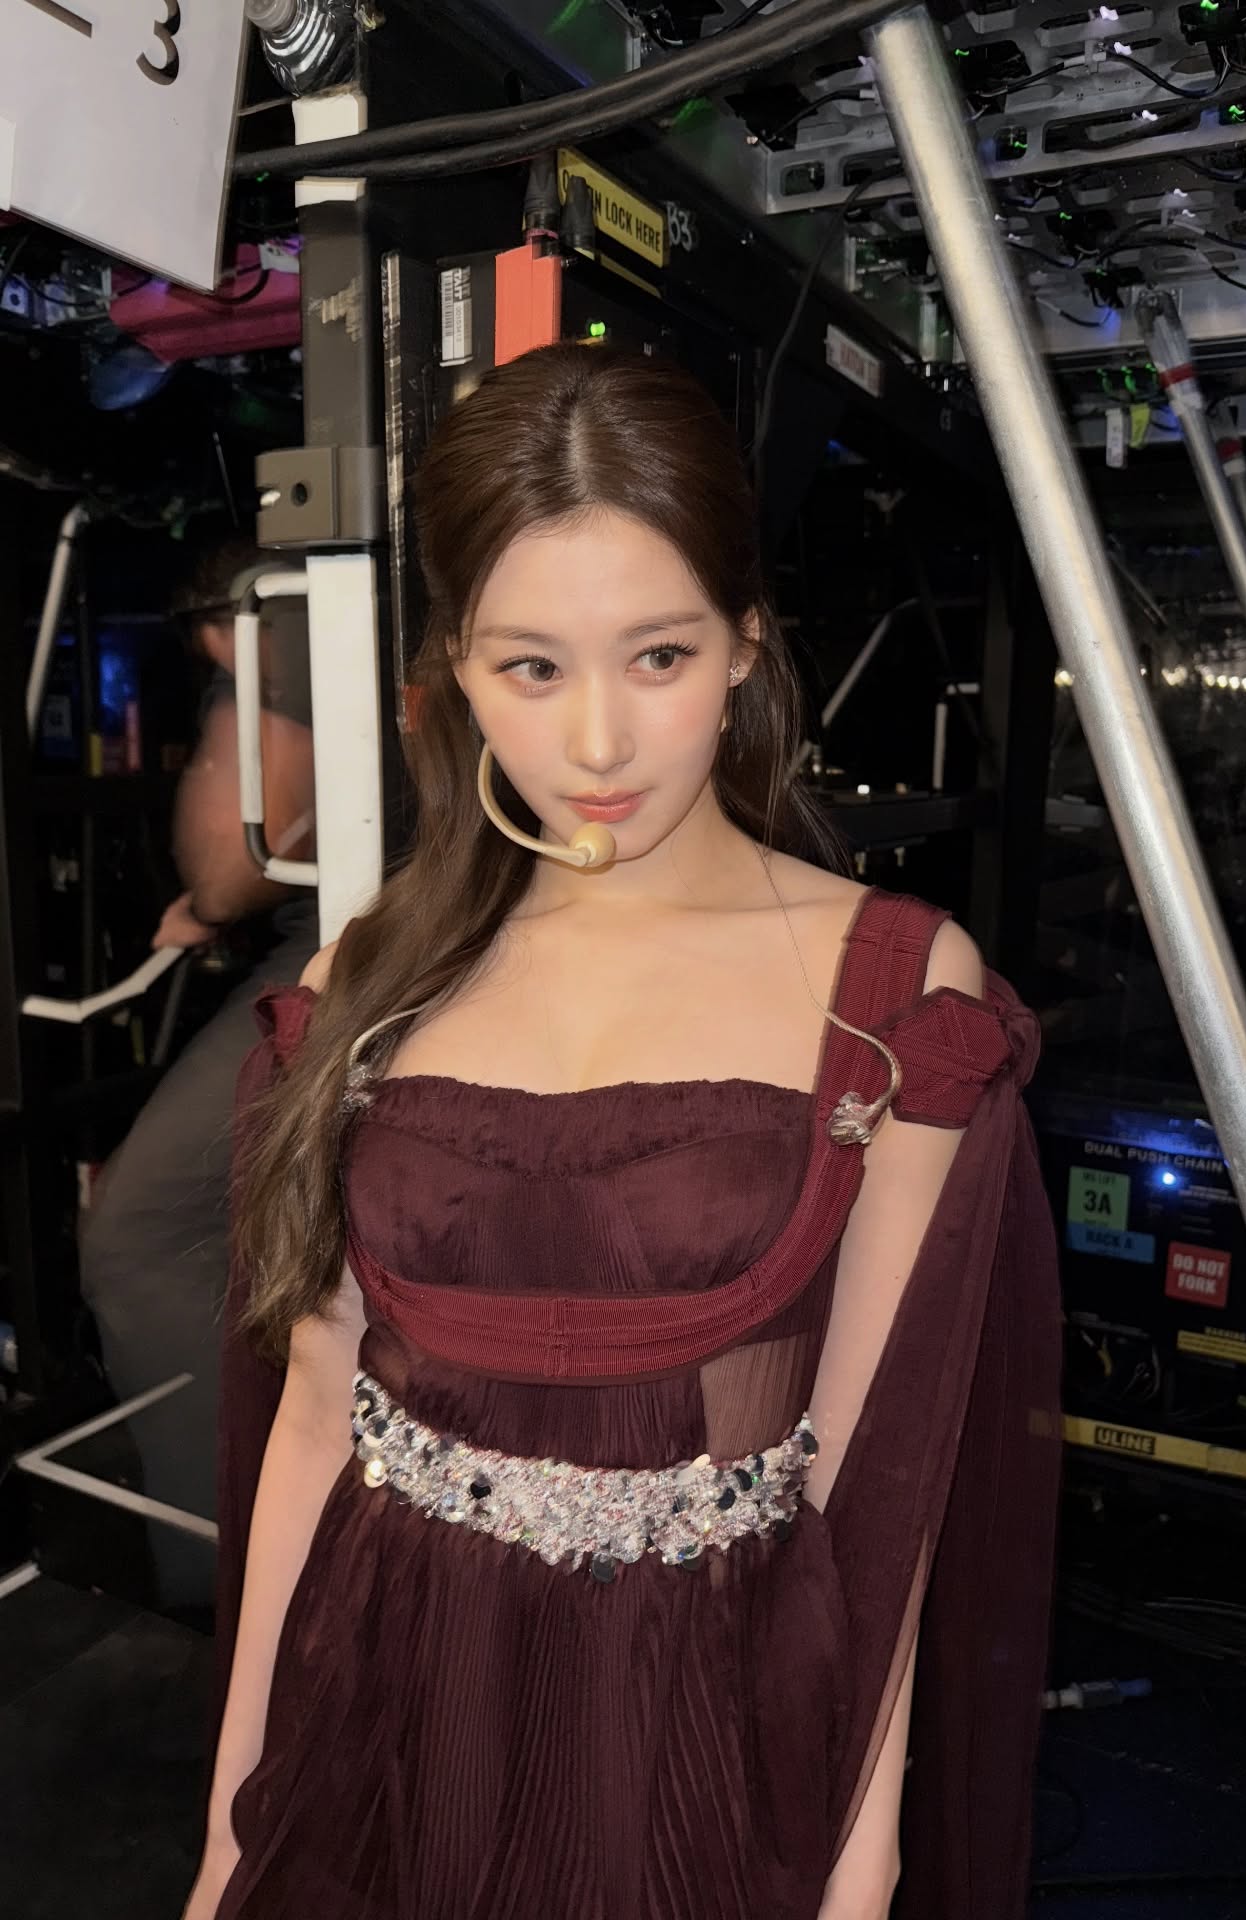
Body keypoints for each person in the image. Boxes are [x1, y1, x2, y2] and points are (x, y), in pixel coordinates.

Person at [185, 346, 1061, 1920]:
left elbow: (882, 1482)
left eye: (657, 655)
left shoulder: (891, 989)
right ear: (456, 675)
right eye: (532, 668)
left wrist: (857, 1874)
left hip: (698, 1748)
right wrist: (226, 1844)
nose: (597, 744)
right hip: (384, 1724)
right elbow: (312, 1418)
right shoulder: (363, 982)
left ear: (744, 648)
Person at [80, 536, 318, 1608]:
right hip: (349, 934)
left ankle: (226, 1577)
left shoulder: (283, 640)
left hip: (339, 951)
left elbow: (233, 857)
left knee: (141, 1231)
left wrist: (211, 904)